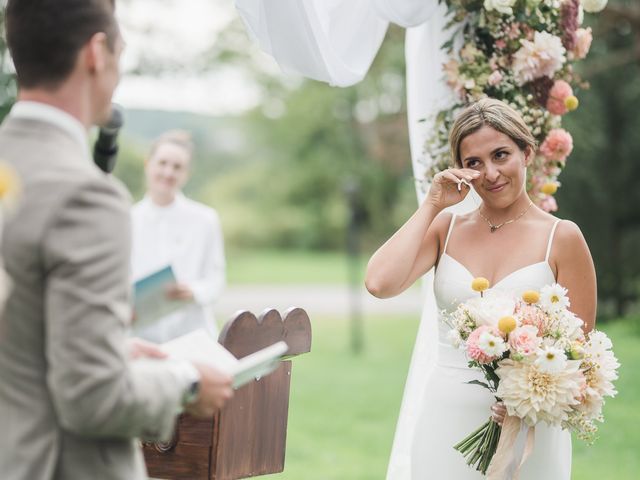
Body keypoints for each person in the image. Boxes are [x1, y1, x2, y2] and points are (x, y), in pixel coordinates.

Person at [0, 1, 233, 479]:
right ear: (97, 52)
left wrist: (111, 347)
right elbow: (92, 396)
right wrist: (184, 378)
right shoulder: (88, 196)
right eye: (121, 54)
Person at [365, 98, 597, 479]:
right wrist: (432, 205)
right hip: (446, 415)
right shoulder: (446, 228)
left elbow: (581, 353)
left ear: (526, 152)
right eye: (474, 162)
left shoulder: (563, 237)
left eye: (501, 155)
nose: (490, 173)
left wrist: (531, 400)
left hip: (527, 428)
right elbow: (379, 283)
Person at [131, 130, 226, 343]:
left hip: (193, 336)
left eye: (177, 167)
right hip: (143, 339)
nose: (168, 172)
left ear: (186, 174)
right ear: (148, 164)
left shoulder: (205, 219)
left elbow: (216, 280)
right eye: (162, 163)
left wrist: (193, 291)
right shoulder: (128, 220)